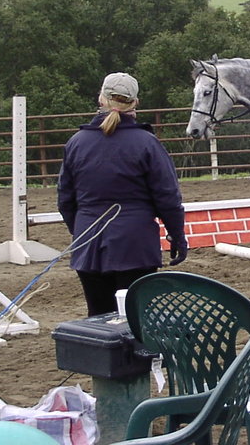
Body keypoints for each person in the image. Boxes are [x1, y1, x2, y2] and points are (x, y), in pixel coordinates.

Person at [57, 72, 189, 316]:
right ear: (135, 102)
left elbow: (65, 200)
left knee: (98, 319)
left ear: (101, 99)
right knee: (137, 319)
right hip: (135, 244)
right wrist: (177, 236)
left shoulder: (76, 143)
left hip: (89, 245)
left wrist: (82, 231)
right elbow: (168, 198)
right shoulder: (147, 143)